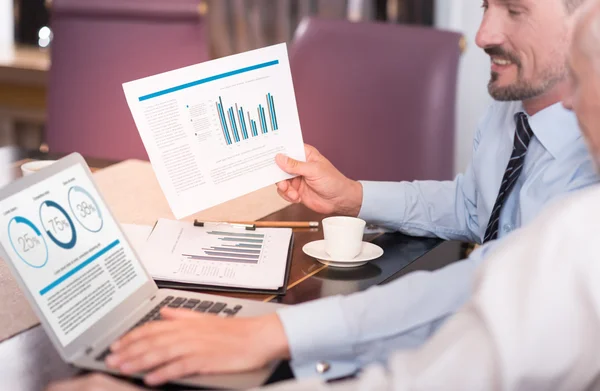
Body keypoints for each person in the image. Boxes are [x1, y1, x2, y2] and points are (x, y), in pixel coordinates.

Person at [46, 1, 600, 389]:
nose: (482, 33)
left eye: (515, 8)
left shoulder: (584, 207)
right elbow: (474, 207)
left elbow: (489, 287)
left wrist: (278, 333)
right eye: (484, 4)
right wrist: (353, 196)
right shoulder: (515, 100)